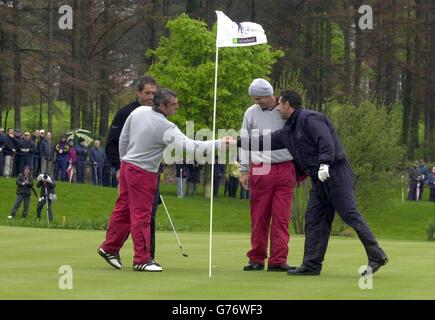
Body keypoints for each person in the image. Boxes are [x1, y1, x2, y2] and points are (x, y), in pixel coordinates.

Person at [237, 89, 388, 276]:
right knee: (314, 219)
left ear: (287, 104)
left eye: (280, 105)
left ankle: (377, 255)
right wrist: (236, 142)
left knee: (349, 213)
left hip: (335, 172)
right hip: (319, 178)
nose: (277, 109)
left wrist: (325, 162)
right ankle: (312, 264)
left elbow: (325, 141)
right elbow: (266, 141)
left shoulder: (310, 118)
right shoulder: (288, 130)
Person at [98, 88, 227, 272]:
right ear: (161, 105)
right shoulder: (166, 127)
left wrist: (124, 160)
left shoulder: (139, 111)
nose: (177, 106)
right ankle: (141, 259)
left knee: (124, 210)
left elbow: (124, 139)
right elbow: (192, 147)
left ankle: (109, 247)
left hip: (128, 166)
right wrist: (220, 143)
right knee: (141, 215)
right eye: (173, 104)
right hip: (143, 173)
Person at [239, 79, 297, 272]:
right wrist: (244, 170)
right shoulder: (250, 113)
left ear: (269, 94)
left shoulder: (285, 110)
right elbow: (244, 142)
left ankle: (278, 260)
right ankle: (256, 258)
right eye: (254, 99)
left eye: (259, 98)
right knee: (259, 216)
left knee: (281, 217)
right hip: (260, 167)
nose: (257, 102)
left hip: (285, 166)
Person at [104, 76, 161, 260]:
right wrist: (119, 167)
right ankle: (114, 248)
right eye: (147, 93)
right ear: (138, 93)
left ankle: (147, 254)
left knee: (149, 213)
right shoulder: (126, 112)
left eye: (154, 93)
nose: (151, 97)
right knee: (128, 212)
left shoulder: (158, 113)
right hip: (129, 170)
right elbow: (113, 143)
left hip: (151, 171)